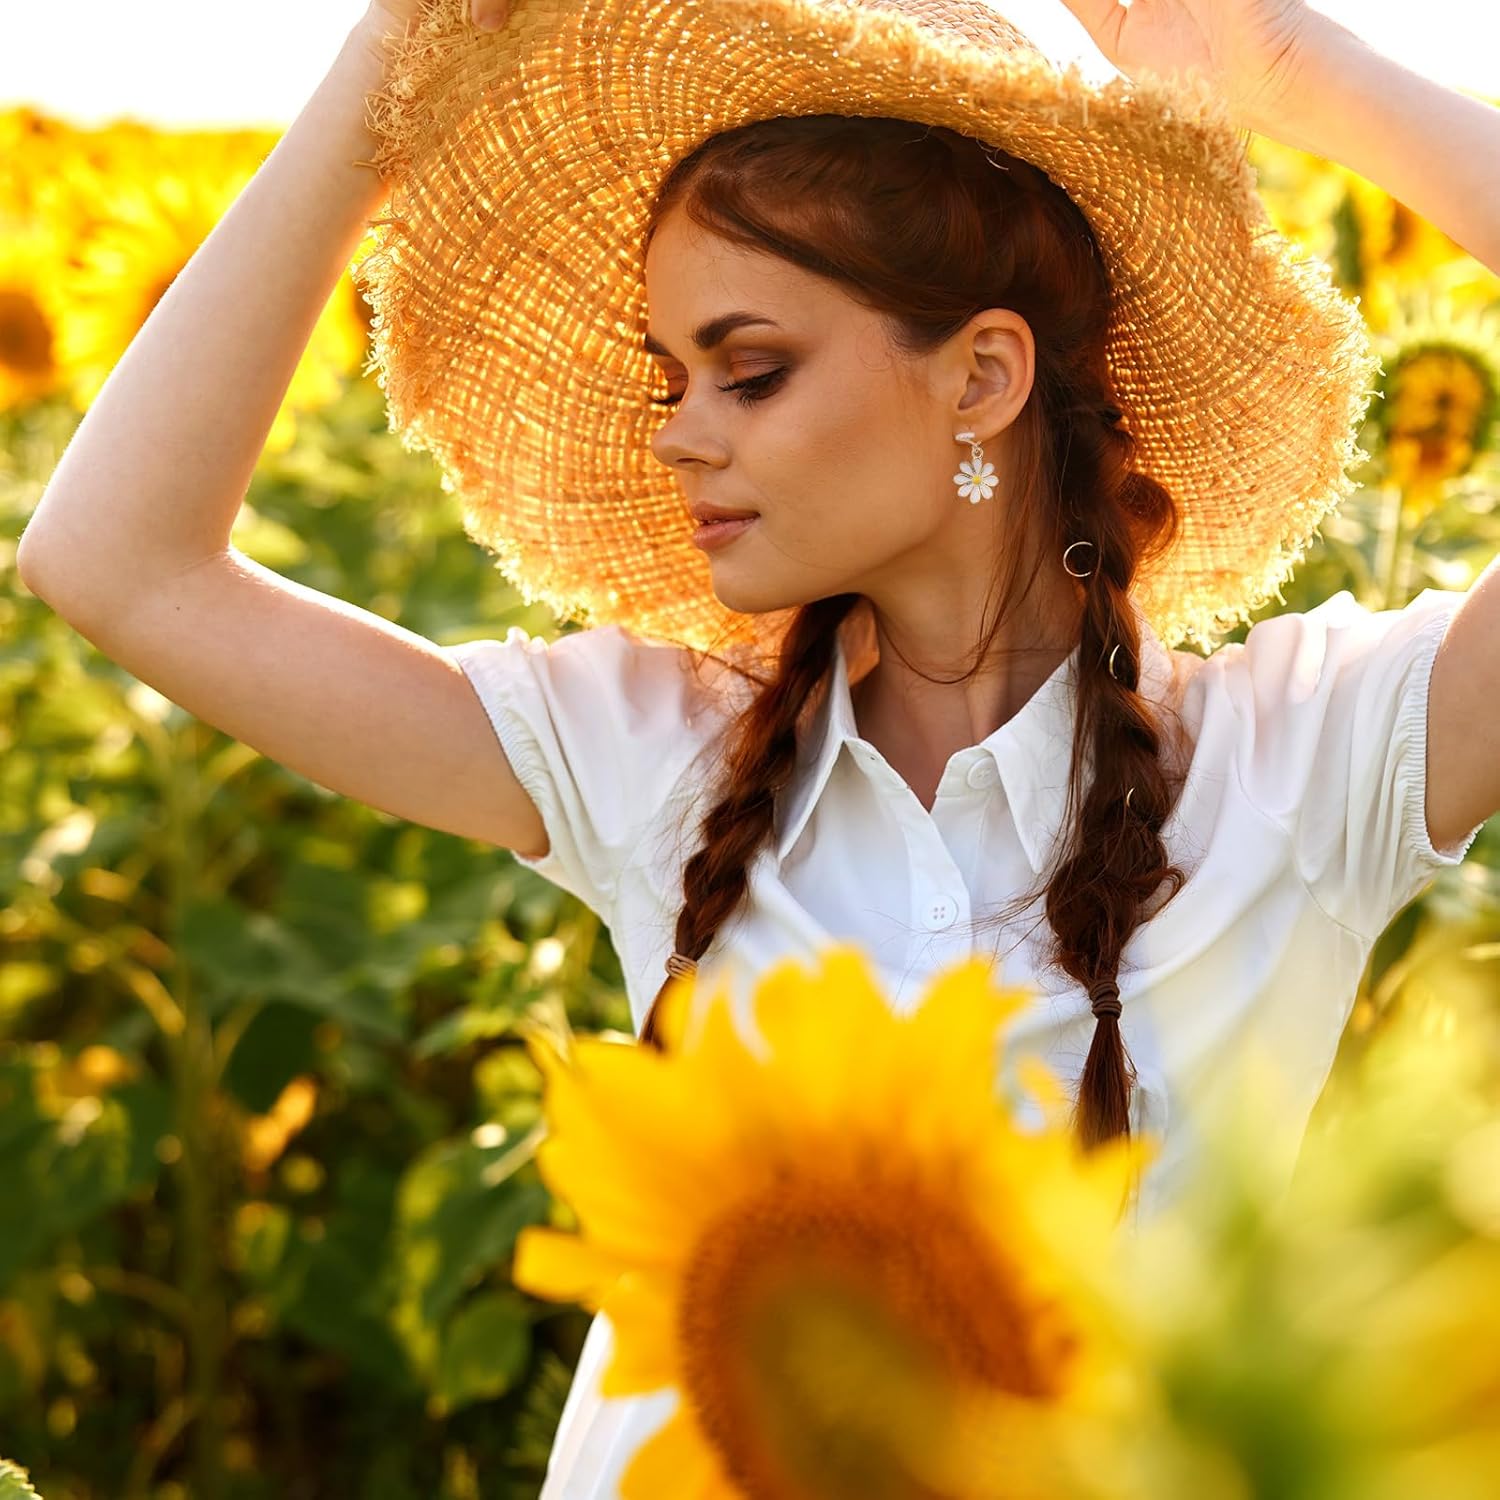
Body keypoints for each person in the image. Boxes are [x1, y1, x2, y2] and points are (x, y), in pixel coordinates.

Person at [17, 1, 1499, 1496]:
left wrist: (1301, 77)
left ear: (983, 378)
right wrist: (382, 74)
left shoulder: (1303, 764)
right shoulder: (664, 756)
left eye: (751, 369)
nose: (679, 436)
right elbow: (114, 562)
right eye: (673, 379)